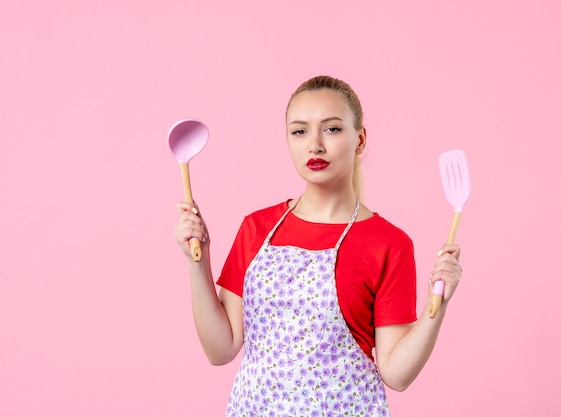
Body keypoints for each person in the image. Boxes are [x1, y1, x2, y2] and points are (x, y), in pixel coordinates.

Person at [174, 75, 462, 416]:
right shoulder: (257, 228)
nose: (315, 145)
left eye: (332, 129)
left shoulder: (388, 244)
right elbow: (220, 350)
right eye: (299, 131)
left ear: (360, 138)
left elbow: (396, 374)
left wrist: (438, 305)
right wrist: (199, 262)